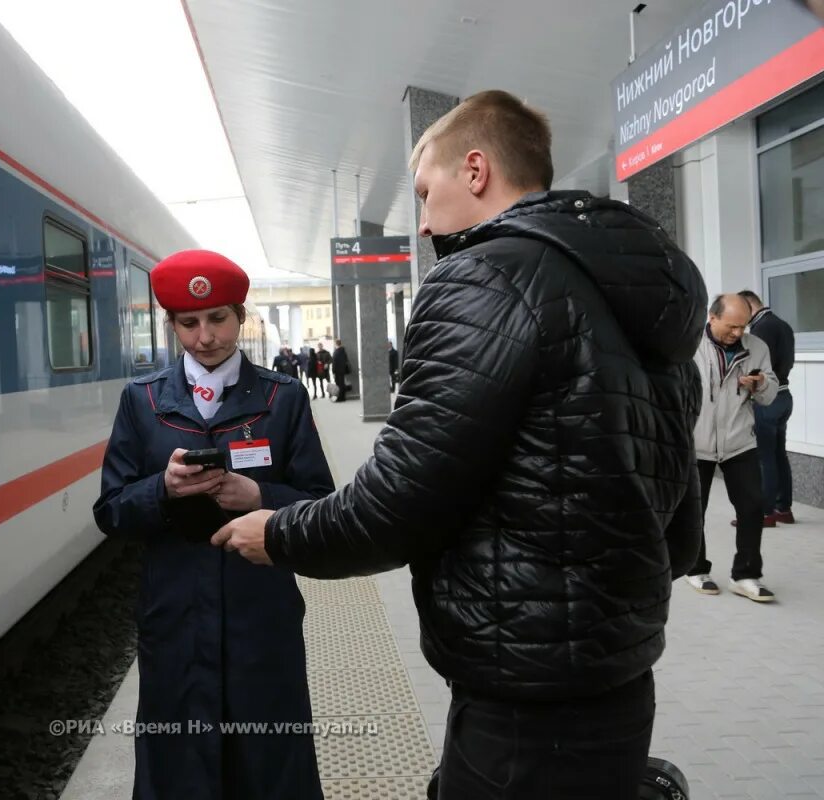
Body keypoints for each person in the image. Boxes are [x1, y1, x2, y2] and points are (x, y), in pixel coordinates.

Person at [211, 90, 705, 799]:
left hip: (523, 690)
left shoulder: (484, 277)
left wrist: (280, 533)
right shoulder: (642, 292)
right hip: (620, 667)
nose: (419, 221)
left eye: (424, 191)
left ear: (475, 170)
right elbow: (682, 535)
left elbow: (398, 504)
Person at [93, 249, 334, 800]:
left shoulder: (282, 398)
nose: (205, 337)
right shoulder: (142, 402)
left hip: (261, 615)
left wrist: (260, 495)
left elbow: (321, 505)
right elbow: (111, 511)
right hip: (175, 617)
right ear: (172, 324)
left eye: (218, 318)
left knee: (270, 759)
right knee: (179, 763)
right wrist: (163, 489)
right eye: (189, 322)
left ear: (240, 316)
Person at [685, 294, 779, 602]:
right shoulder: (687, 344)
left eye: (743, 326)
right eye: (732, 326)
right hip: (696, 444)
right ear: (712, 318)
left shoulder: (758, 348)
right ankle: (696, 569)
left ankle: (746, 575)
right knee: (694, 511)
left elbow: (769, 394)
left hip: (739, 442)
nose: (739, 333)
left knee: (753, 508)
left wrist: (762, 382)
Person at [739, 289, 796, 525]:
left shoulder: (760, 329)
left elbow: (757, 368)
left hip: (768, 397)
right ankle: (784, 509)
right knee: (778, 453)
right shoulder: (783, 325)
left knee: (764, 457)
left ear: (749, 306)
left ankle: (765, 513)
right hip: (785, 397)